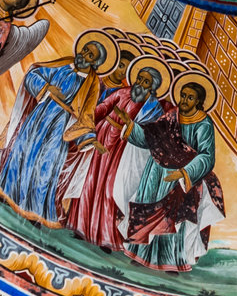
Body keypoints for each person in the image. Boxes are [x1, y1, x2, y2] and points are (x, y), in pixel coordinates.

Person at [0, 37, 107, 228]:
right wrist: (47, 88)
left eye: (90, 55)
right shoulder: (64, 65)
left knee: (46, 165)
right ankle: (8, 193)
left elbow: (87, 114)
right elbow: (34, 73)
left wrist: (89, 138)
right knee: (23, 150)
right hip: (40, 115)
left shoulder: (92, 84)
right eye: (85, 50)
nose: (84, 55)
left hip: (61, 125)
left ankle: (35, 211)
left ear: (95, 62)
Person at [62, 53, 166, 248]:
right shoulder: (123, 92)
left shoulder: (153, 109)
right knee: (89, 181)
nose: (140, 84)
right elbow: (103, 107)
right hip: (102, 137)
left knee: (110, 189)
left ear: (153, 87)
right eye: (139, 79)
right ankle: (79, 226)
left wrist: (131, 126)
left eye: (146, 82)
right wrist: (85, 118)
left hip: (124, 149)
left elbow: (153, 137)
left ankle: (106, 236)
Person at [123, 73, 225, 270]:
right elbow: (152, 138)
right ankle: (140, 253)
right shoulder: (172, 115)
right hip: (156, 172)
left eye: (190, 97)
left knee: (172, 219)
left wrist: (185, 172)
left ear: (199, 101)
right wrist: (131, 127)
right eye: (183, 95)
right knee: (147, 209)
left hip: (181, 178)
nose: (184, 100)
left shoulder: (204, 124)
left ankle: (170, 261)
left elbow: (206, 156)